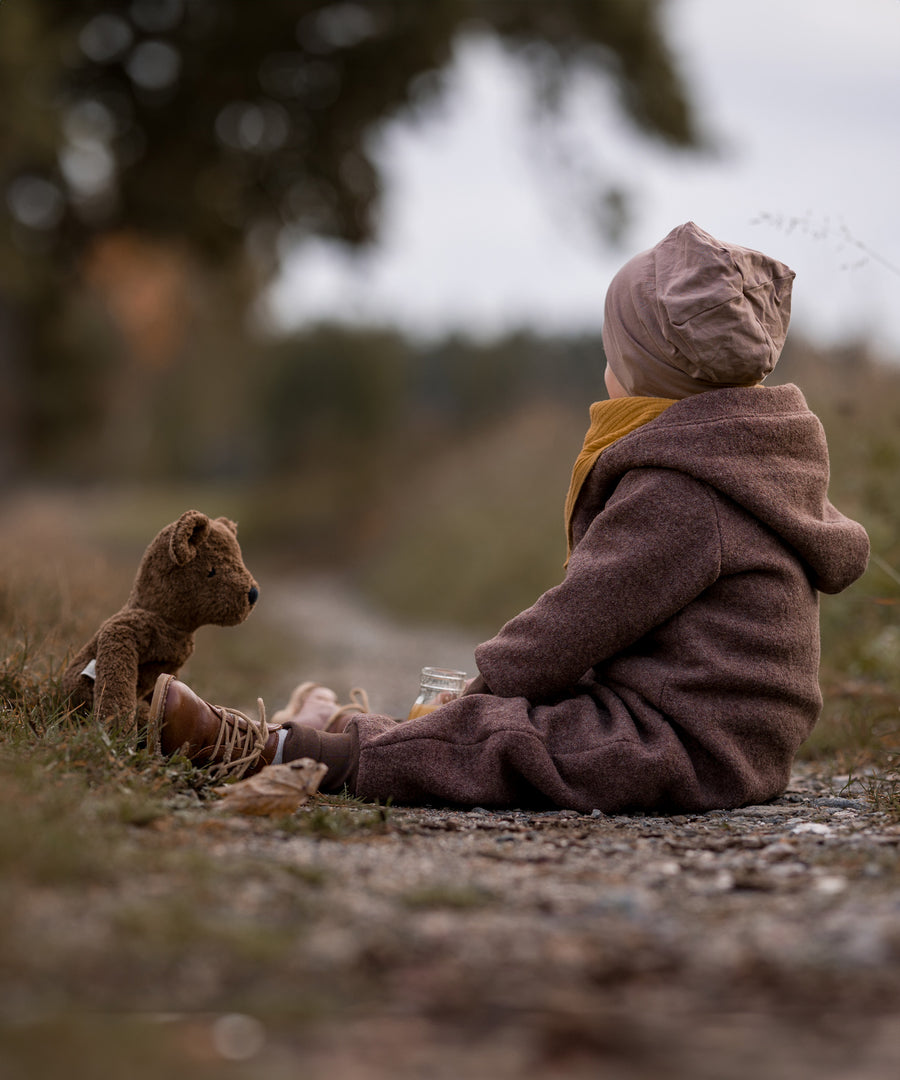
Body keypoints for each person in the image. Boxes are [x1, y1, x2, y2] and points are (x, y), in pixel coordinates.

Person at [149, 222, 870, 814]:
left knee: (498, 739)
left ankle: (273, 749)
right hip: (727, 737)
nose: (606, 372)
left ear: (647, 373)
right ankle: (335, 723)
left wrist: (486, 685)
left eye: (613, 357)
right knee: (504, 726)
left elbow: (581, 618)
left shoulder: (682, 490)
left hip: (683, 745)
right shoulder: (741, 458)